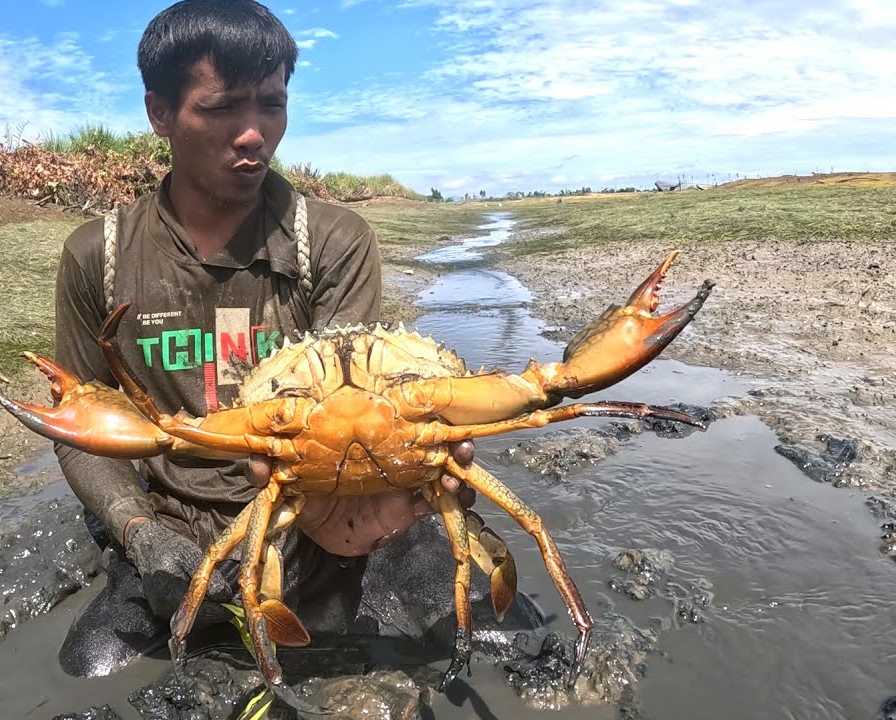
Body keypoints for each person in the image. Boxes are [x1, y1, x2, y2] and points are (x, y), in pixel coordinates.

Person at [48, 0, 550, 683]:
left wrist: (390, 499)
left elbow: (363, 423)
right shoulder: (98, 257)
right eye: (222, 108)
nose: (253, 133)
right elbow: (81, 425)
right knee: (86, 669)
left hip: (322, 512)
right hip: (173, 525)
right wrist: (135, 530)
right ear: (160, 113)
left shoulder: (333, 242)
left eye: (272, 104)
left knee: (508, 644)